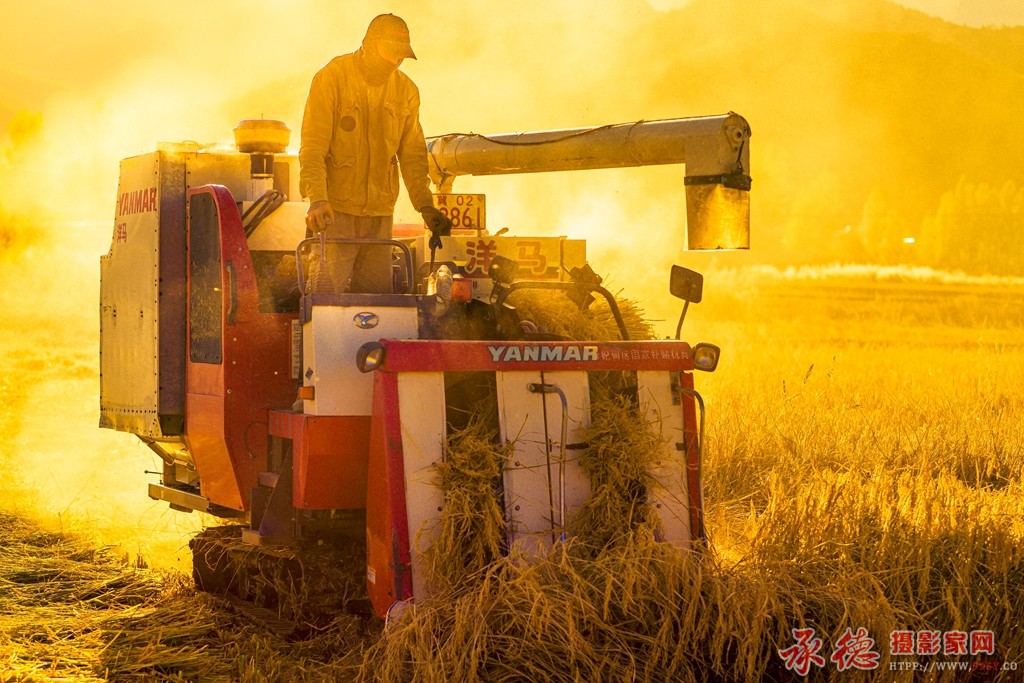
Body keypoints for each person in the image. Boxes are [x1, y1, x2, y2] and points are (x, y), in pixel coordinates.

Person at [299, 13, 451, 294]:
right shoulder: (332, 78)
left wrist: (425, 205)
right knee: (324, 300)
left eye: (401, 57)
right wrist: (317, 199)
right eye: (390, 54)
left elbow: (413, 155)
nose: (394, 62)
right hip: (335, 215)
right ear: (368, 44)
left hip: (380, 217)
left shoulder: (406, 91)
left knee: (377, 304)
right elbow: (312, 147)